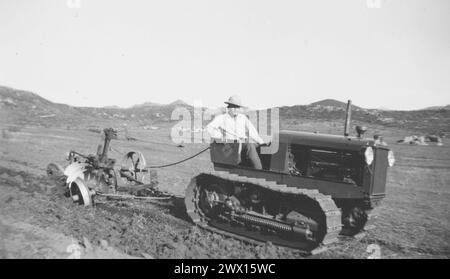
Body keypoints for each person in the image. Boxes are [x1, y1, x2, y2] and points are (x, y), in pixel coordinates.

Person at [206, 95, 268, 169]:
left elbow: (252, 131)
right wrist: (220, 137)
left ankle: (262, 167)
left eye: (237, 107)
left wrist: (261, 142)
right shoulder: (221, 118)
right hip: (232, 144)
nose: (235, 109)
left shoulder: (243, 118)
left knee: (259, 146)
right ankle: (259, 169)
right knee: (250, 145)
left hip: (243, 142)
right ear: (228, 107)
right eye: (233, 107)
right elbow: (209, 127)